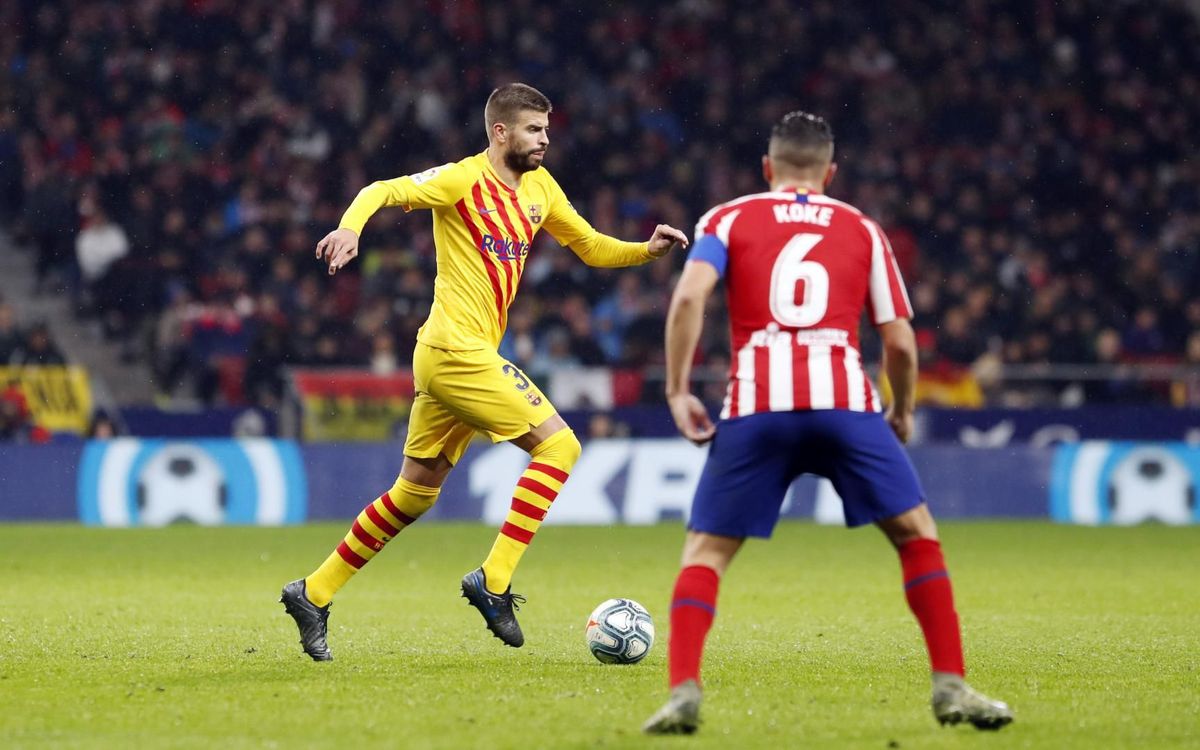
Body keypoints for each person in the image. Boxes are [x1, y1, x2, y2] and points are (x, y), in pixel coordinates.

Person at [280, 83, 687, 661]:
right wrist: (351, 227)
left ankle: (313, 592)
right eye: (533, 130)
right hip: (456, 351)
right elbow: (381, 189)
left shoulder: (541, 188)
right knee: (560, 447)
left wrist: (645, 250)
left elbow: (591, 247)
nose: (544, 140)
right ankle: (493, 581)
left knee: (413, 495)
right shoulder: (462, 179)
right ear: (501, 132)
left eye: (546, 131)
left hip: (453, 356)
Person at [642, 112, 1012, 734]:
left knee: (705, 553)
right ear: (830, 172)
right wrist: (902, 409)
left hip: (758, 406)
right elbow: (900, 342)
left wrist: (678, 390)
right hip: (845, 405)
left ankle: (683, 691)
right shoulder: (862, 229)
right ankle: (951, 684)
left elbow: (687, 299)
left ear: (768, 167)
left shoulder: (727, 219)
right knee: (917, 535)